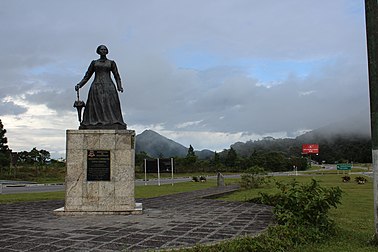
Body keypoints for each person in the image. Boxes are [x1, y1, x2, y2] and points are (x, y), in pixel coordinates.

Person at [75, 45, 126, 129]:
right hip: (96, 86)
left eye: (105, 49)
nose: (103, 51)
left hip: (109, 86)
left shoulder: (111, 62)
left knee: (110, 104)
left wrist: (119, 86)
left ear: (107, 51)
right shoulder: (94, 63)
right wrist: (79, 85)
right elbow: (87, 76)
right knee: (96, 105)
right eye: (101, 49)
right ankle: (94, 122)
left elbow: (117, 75)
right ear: (98, 51)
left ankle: (111, 121)